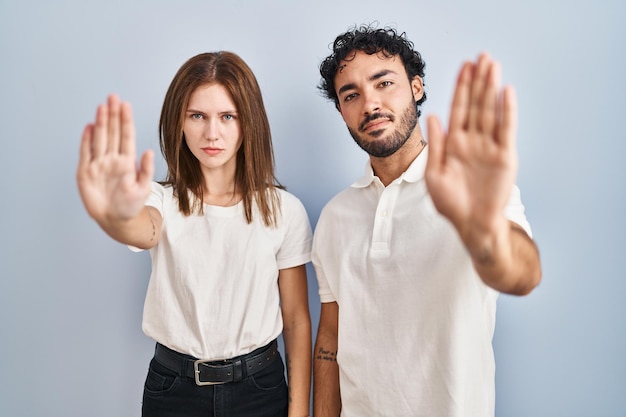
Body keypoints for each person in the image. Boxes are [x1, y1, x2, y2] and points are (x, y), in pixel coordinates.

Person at [311, 25, 542, 417]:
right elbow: (331, 339)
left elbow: (522, 275)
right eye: (351, 95)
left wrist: (482, 231)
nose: (370, 104)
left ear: (417, 88)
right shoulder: (335, 216)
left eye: (384, 83)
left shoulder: (473, 189)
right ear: (341, 110)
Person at [77, 51, 312, 417]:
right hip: (174, 390)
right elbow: (144, 229)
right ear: (179, 122)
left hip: (260, 388)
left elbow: (296, 319)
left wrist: (298, 413)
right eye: (197, 115)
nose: (211, 132)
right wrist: (113, 216)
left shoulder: (284, 210)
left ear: (248, 123)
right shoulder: (162, 200)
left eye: (227, 116)